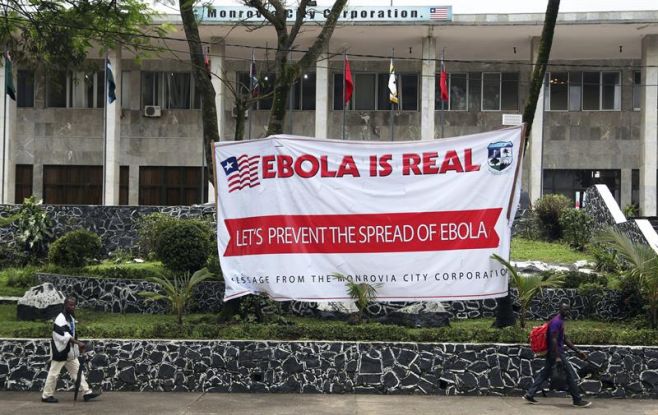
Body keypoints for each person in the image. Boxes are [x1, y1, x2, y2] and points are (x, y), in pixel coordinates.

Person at [523, 303, 591, 408]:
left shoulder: (560, 321)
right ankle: (577, 400)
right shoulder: (556, 322)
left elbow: (565, 339)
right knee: (569, 375)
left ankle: (529, 394)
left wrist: (578, 351)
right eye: (564, 310)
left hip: (554, 352)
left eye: (568, 310)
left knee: (545, 373)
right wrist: (558, 357)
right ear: (560, 309)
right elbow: (553, 340)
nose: (567, 312)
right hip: (556, 353)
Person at [41, 297, 100, 403]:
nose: (72, 307)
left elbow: (72, 333)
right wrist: (78, 343)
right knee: (54, 373)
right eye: (70, 305)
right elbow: (64, 335)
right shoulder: (60, 318)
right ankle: (46, 396)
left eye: (73, 305)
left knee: (77, 372)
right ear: (65, 305)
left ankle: (86, 392)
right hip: (60, 351)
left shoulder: (70, 317)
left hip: (70, 351)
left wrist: (78, 346)